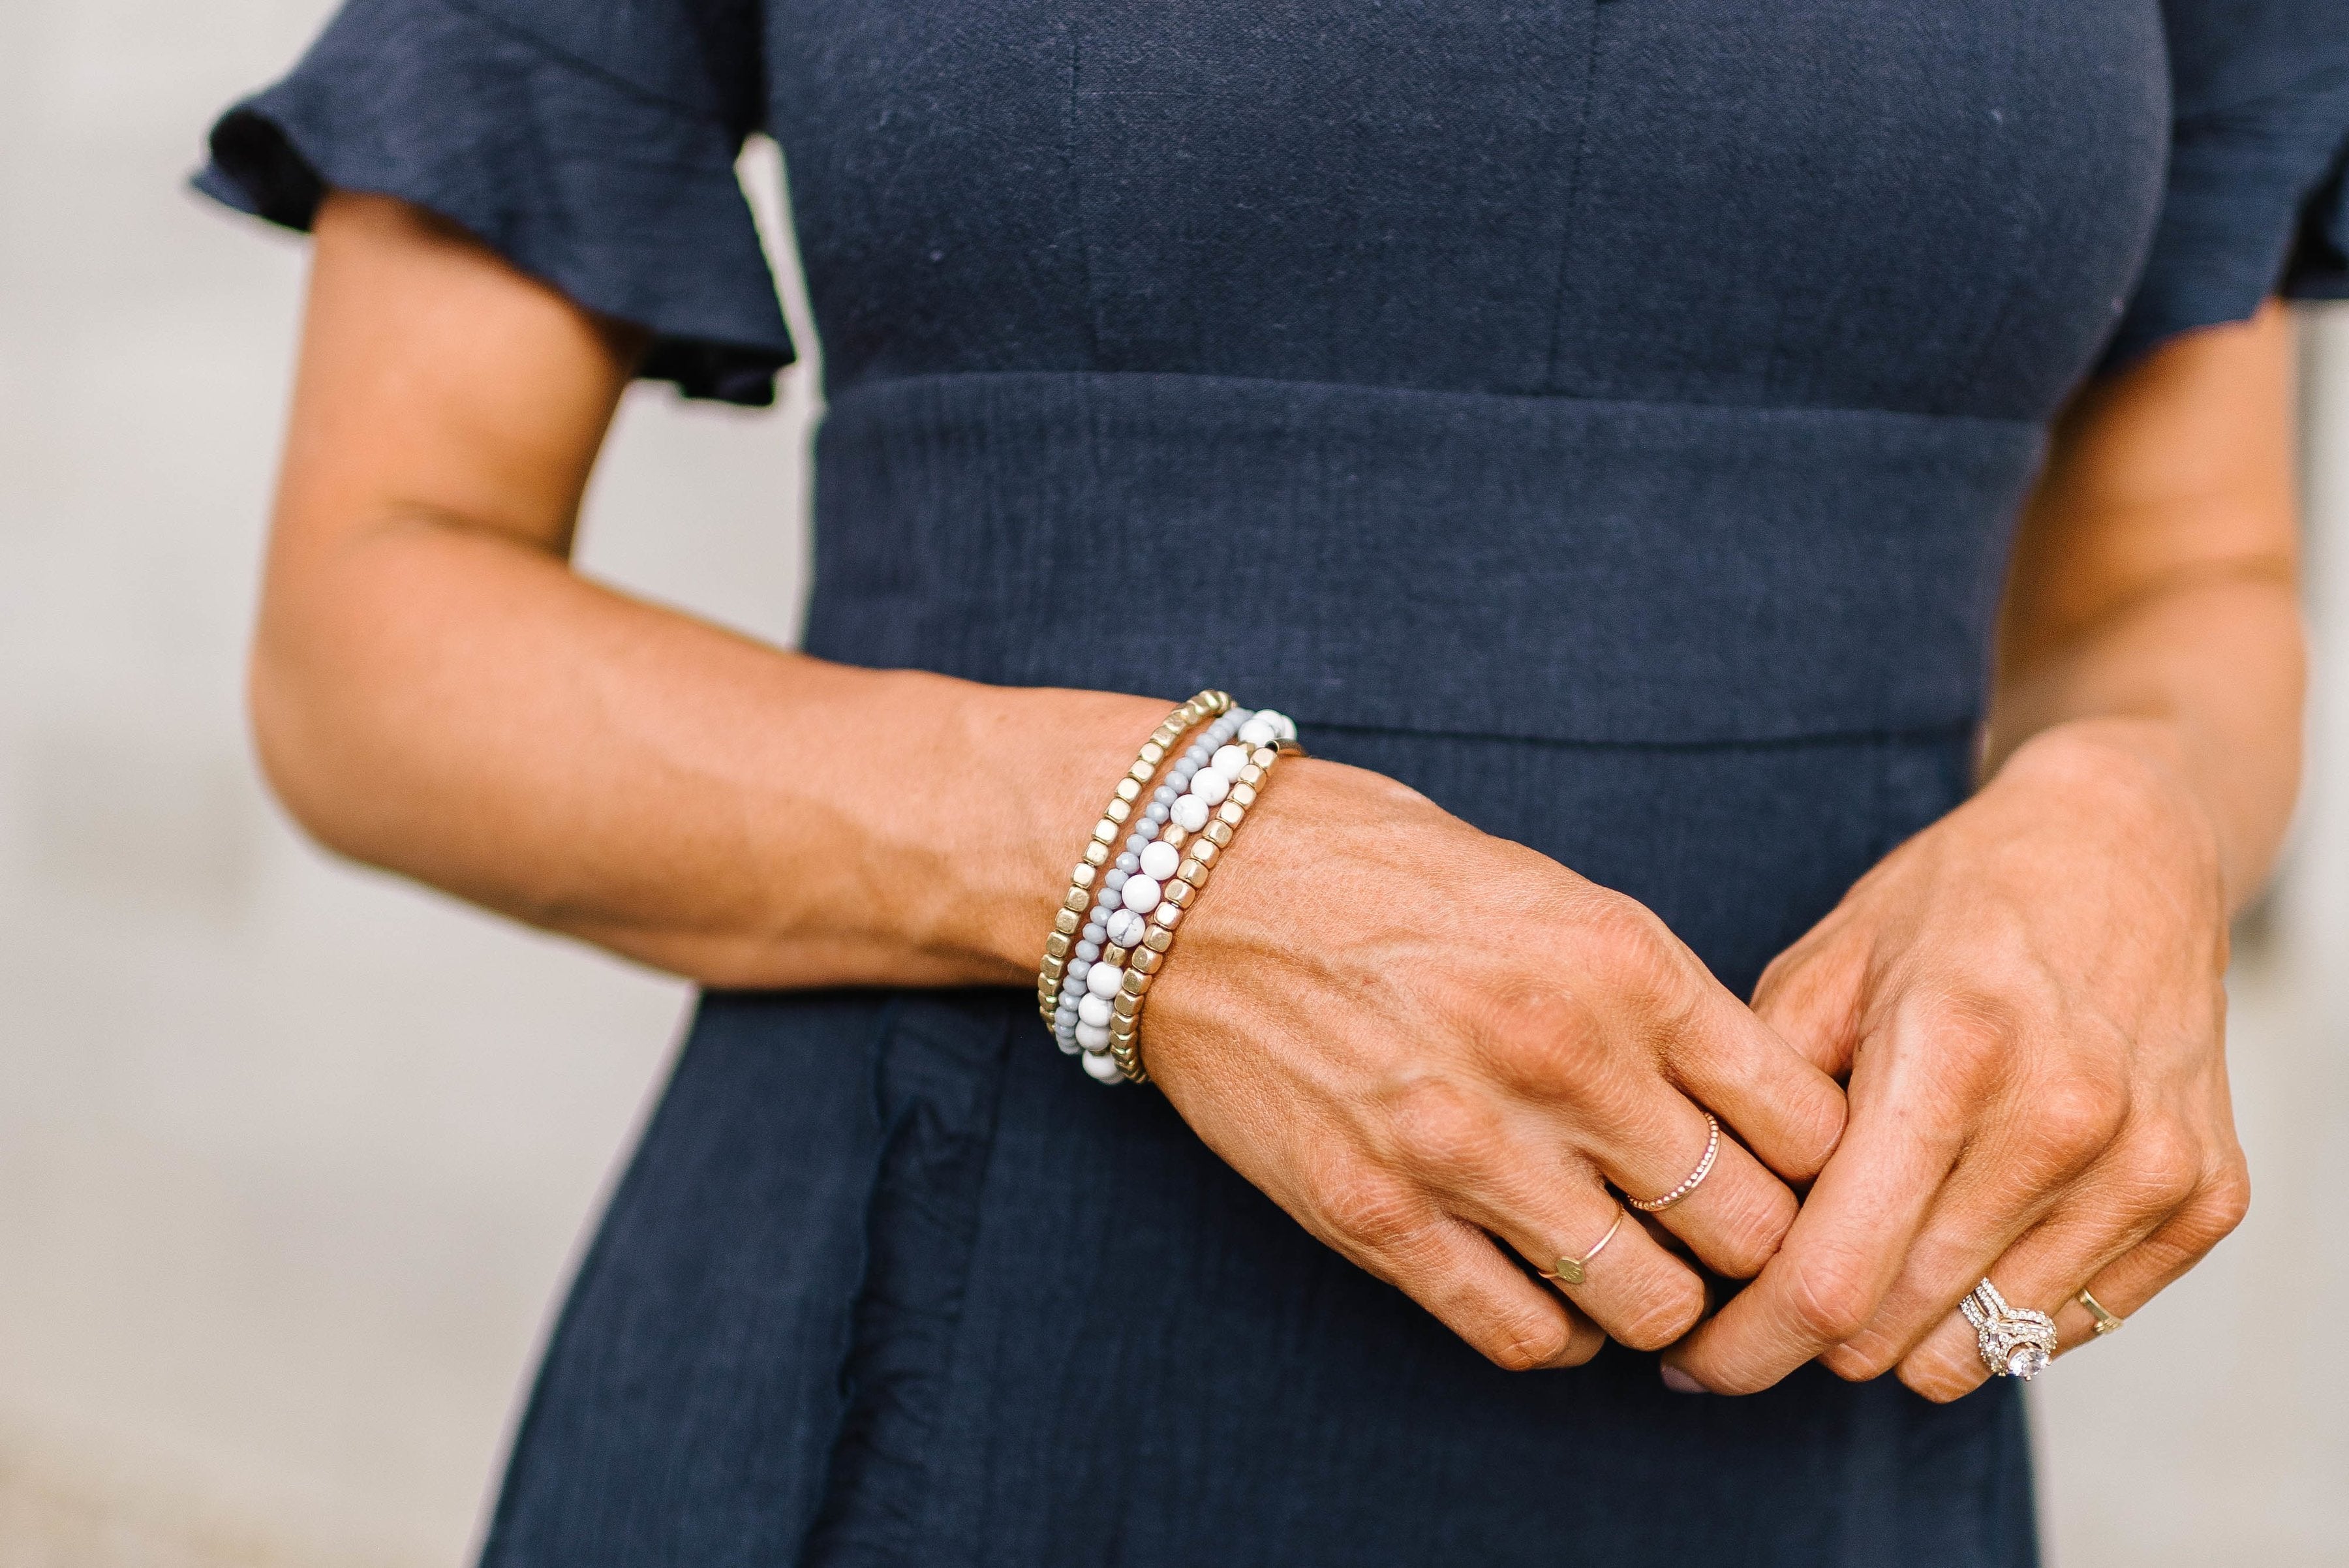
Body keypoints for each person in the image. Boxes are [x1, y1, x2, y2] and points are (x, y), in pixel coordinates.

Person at [195, 0, 2344, 1561]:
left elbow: (2191, 575)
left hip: (1828, 1430)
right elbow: (375, 635)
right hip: (965, 1384)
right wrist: (1167, 860)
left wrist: (2131, 811)